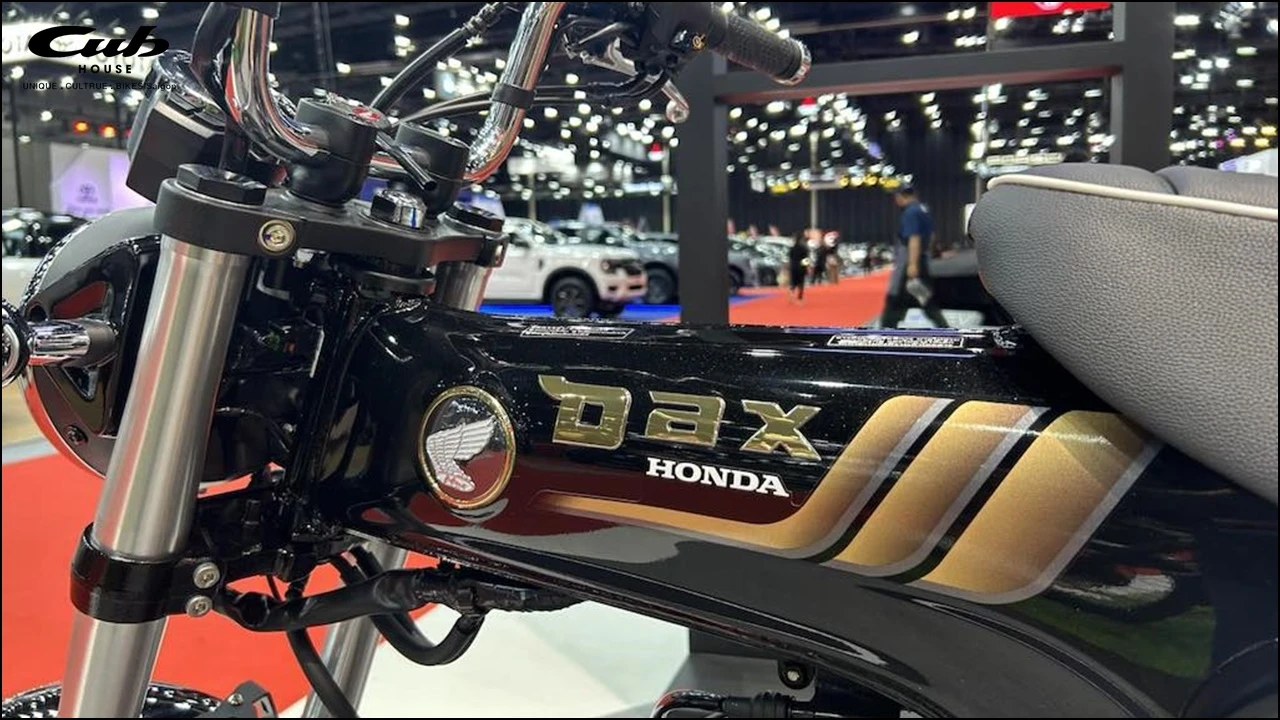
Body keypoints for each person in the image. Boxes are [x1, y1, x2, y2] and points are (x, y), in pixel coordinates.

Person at [881, 187, 949, 329]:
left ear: (901, 196)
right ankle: (943, 327)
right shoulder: (923, 209)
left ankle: (886, 330)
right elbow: (931, 236)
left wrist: (912, 264)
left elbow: (914, 238)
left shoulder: (910, 212)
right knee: (923, 297)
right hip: (922, 257)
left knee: (896, 296)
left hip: (910, 258)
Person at [787, 230, 809, 304]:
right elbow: (805, 259)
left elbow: (790, 258)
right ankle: (800, 298)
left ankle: (792, 293)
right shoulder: (804, 248)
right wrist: (806, 267)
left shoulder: (792, 248)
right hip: (801, 267)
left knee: (793, 281)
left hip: (793, 267)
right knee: (801, 283)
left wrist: (790, 266)